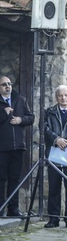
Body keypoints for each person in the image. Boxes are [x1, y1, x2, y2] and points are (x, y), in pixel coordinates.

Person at [0, 76, 35, 217]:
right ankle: (0, 209)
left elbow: (31, 118)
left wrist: (21, 119)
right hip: (0, 147)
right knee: (0, 177)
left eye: (9, 84)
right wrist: (4, 113)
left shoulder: (20, 100)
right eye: (4, 85)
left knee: (15, 178)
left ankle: (13, 209)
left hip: (18, 146)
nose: (7, 86)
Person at [44, 85, 67, 228]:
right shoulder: (50, 112)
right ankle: (53, 218)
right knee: (53, 188)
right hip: (54, 154)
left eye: (66, 95)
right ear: (56, 97)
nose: (63, 98)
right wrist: (56, 139)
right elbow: (44, 128)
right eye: (60, 95)